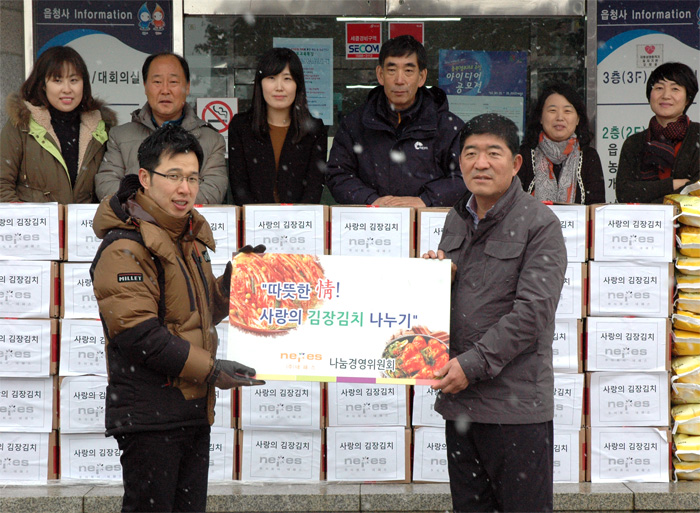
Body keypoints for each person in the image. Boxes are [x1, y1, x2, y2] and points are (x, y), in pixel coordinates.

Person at [90, 125, 262, 512]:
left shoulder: (186, 238)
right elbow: (138, 335)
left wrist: (235, 282)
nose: (184, 188)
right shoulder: (125, 246)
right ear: (146, 178)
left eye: (192, 178)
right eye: (174, 177)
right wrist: (212, 370)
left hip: (190, 410)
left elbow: (196, 314)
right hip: (150, 416)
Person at [423, 113, 567, 512]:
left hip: (515, 409)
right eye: (470, 153)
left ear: (516, 163)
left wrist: (473, 363)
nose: (480, 163)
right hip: (462, 405)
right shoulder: (456, 218)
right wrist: (434, 277)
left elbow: (532, 313)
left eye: (492, 153)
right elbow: (464, 296)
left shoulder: (540, 224)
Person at [325, 35, 465, 207]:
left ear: (422, 77)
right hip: (371, 224)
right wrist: (371, 200)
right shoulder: (355, 124)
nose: (399, 80)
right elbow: (337, 174)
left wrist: (426, 200)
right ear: (380, 74)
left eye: (408, 71)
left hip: (429, 226)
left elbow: (466, 176)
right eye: (392, 70)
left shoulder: (447, 126)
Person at [94, 52, 228, 204]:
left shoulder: (212, 140)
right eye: (157, 82)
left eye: (173, 82)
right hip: (135, 225)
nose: (165, 90)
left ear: (187, 87)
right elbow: (106, 183)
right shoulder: (120, 136)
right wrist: (148, 210)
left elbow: (213, 190)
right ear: (145, 86)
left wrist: (164, 208)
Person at [0, 46, 116, 203]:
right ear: (42, 84)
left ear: (84, 83)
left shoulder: (102, 128)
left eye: (74, 80)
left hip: (86, 227)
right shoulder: (22, 123)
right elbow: (2, 184)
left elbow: (110, 185)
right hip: (36, 226)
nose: (67, 89)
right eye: (57, 80)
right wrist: (29, 220)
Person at [228, 47, 327, 205]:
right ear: (260, 84)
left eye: (287, 78)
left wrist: (294, 220)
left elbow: (313, 190)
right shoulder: (241, 127)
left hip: (300, 224)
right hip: (254, 224)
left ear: (298, 84)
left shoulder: (314, 130)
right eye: (271, 78)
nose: (279, 87)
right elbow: (239, 187)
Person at [616, 62, 699, 203]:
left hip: (689, 224)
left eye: (675, 89)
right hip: (643, 222)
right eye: (659, 88)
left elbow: (696, 190)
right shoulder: (634, 142)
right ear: (650, 95)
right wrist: (673, 184)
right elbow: (624, 193)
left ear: (688, 99)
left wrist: (651, 201)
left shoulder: (697, 135)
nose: (666, 95)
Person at [519, 83, 605, 204]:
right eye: (552, 110)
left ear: (578, 119)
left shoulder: (589, 157)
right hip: (532, 223)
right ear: (541, 118)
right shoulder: (524, 156)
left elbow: (596, 208)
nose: (560, 117)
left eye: (567, 111)